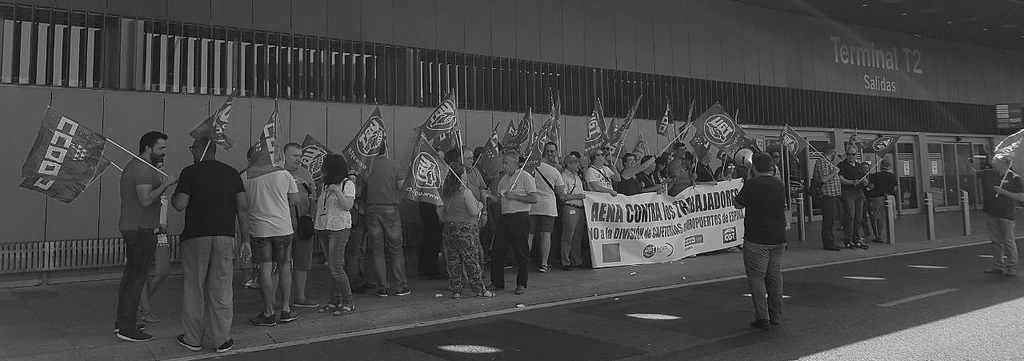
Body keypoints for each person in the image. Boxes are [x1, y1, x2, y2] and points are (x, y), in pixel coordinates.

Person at [171, 137, 246, 353]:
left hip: (196, 236)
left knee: (194, 288)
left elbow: (180, 204)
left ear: (199, 150)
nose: (191, 152)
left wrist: (175, 191)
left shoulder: (189, 172)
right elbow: (242, 208)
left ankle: (193, 339)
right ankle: (222, 339)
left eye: (192, 148)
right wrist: (246, 240)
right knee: (222, 287)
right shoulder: (232, 173)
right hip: (225, 236)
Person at [115, 131, 176, 342]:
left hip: (137, 228)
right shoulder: (141, 168)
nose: (164, 153)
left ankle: (124, 321)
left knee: (131, 277)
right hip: (140, 229)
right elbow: (145, 199)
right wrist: (166, 184)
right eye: (161, 148)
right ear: (148, 148)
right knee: (137, 278)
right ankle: (127, 327)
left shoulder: (141, 167)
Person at [242, 145, 302, 327]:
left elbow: (242, 204)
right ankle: (285, 310)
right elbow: (295, 201)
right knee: (284, 267)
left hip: (260, 230)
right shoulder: (284, 174)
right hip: (283, 229)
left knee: (265, 269)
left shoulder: (244, 177)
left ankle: (268, 312)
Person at [733, 152, 787, 330]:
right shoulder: (779, 184)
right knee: (775, 277)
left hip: (756, 238)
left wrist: (749, 178)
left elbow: (738, 204)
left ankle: (762, 317)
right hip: (777, 237)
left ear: (754, 167)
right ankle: (776, 315)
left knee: (757, 278)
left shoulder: (752, 184)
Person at [438, 148, 495, 299]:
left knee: (453, 261)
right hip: (466, 230)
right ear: (460, 176)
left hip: (449, 229)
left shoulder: (446, 193)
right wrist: (481, 206)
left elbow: (441, 213)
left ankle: (456, 289)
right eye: (463, 175)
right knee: (471, 260)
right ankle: (480, 289)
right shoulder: (466, 192)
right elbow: (474, 211)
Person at [314, 154, 357, 315]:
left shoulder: (347, 184)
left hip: (339, 228)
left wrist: (337, 192)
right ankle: (334, 301)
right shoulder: (325, 185)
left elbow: (347, 205)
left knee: (336, 267)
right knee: (331, 266)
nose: (322, 170)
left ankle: (348, 302)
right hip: (324, 227)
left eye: (324, 166)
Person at [363, 157, 412, 297]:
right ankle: (400, 286)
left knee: (377, 250)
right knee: (396, 249)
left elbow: (365, 183)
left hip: (371, 208)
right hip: (390, 208)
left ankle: (382, 287)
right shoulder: (394, 164)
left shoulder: (368, 165)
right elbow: (402, 186)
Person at [493, 149, 538, 295]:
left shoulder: (525, 177)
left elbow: (533, 198)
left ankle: (521, 283)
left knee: (521, 252)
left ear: (515, 163)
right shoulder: (503, 179)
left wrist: (515, 196)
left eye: (506, 163)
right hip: (505, 217)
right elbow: (501, 199)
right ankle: (497, 282)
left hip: (520, 217)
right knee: (498, 250)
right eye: (503, 163)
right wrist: (490, 197)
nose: (504, 166)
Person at [282, 143, 319, 309]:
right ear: (284, 156)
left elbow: (313, 196)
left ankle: (300, 296)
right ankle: (283, 299)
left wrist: (312, 215)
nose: (298, 159)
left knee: (302, 261)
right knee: (282, 262)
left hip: (303, 223)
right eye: (294, 156)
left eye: (300, 156)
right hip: (283, 225)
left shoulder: (305, 173)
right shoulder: (278, 173)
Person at [138, 161, 170, 326]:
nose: (161, 169)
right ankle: (145, 309)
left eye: (162, 166)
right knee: (142, 272)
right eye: (158, 166)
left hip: (162, 234)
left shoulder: (163, 186)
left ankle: (139, 303)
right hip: (147, 231)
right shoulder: (144, 186)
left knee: (163, 271)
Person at [981, 156, 1024, 276]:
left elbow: (1021, 197)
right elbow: (976, 172)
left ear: (1004, 163)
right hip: (992, 213)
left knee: (1008, 241)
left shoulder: (1015, 178)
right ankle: (998, 266)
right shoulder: (991, 175)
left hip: (1006, 214)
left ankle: (1011, 267)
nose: (993, 163)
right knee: (995, 241)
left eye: (996, 161)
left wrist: (1003, 192)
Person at [530, 142, 566, 273]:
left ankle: (524, 262)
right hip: (548, 207)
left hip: (532, 206)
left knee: (530, 235)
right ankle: (544, 264)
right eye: (549, 151)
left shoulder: (531, 168)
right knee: (545, 235)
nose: (551, 154)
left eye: (552, 151)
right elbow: (561, 194)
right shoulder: (555, 171)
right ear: (545, 152)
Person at [560, 152, 588, 270]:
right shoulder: (563, 177)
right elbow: (563, 196)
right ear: (568, 164)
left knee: (578, 236)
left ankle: (576, 260)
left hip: (580, 208)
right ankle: (565, 261)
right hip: (570, 207)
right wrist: (578, 196)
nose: (578, 165)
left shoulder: (577, 177)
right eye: (575, 162)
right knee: (568, 235)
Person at [837, 145, 869, 249]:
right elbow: (840, 179)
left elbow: (866, 180)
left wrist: (865, 182)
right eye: (849, 154)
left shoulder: (859, 166)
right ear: (846, 154)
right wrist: (851, 182)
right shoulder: (841, 165)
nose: (851, 156)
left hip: (859, 193)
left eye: (853, 154)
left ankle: (857, 238)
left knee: (859, 217)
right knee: (850, 215)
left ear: (856, 155)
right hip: (848, 192)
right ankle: (848, 239)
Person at [812, 146, 843, 251]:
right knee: (828, 221)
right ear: (832, 153)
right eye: (835, 153)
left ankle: (832, 241)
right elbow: (823, 179)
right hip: (827, 196)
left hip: (834, 195)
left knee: (832, 220)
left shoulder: (830, 162)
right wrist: (834, 172)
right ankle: (828, 243)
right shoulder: (822, 162)